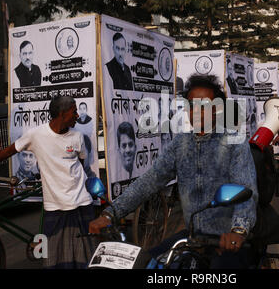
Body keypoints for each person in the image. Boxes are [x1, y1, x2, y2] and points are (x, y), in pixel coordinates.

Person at [90, 74, 258, 269]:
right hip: (192, 236)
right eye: (192, 106)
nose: (197, 112)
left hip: (225, 240)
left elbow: (246, 188)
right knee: (148, 263)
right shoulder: (180, 143)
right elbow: (151, 180)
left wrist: (238, 230)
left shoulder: (234, 141)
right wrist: (111, 213)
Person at [0, 96, 96, 269]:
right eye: (74, 112)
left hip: (81, 203)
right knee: (52, 260)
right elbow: (8, 151)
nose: (77, 116)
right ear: (61, 114)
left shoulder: (77, 137)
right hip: (55, 207)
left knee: (84, 258)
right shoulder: (36, 135)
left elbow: (81, 166)